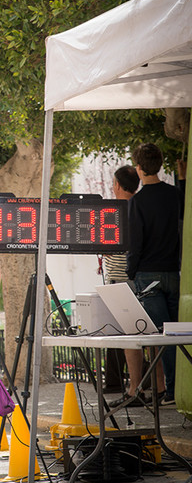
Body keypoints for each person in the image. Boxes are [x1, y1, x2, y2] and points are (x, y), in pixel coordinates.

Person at [113, 144, 185, 408]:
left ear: (139, 168)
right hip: (173, 272)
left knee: (160, 338)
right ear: (161, 164)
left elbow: (136, 242)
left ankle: (169, 391)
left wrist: (131, 272)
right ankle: (178, 389)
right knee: (178, 335)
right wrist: (183, 179)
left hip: (147, 276)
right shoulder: (174, 194)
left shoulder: (138, 202)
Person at [101, 165, 139, 394]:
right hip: (137, 277)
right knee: (138, 332)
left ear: (117, 185)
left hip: (118, 279)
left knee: (117, 332)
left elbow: (107, 246)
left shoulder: (114, 212)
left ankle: (116, 383)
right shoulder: (139, 207)